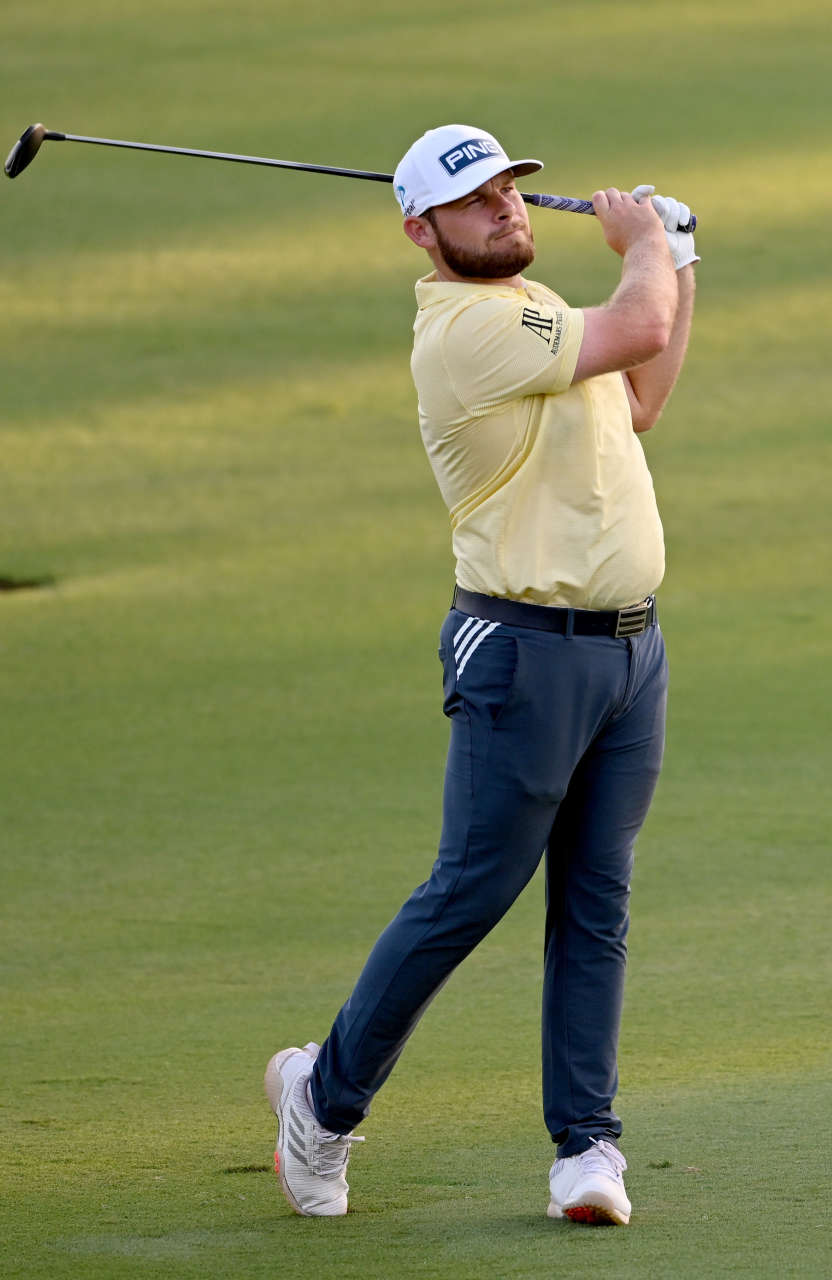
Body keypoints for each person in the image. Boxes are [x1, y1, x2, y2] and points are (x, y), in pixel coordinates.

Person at [265, 123, 697, 1226]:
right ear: (423, 230)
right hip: (523, 652)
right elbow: (635, 318)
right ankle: (323, 1099)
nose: (504, 208)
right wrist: (645, 242)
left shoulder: (542, 318)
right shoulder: (470, 329)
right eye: (475, 201)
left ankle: (586, 1148)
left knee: (596, 902)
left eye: (508, 188)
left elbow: (643, 388)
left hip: (627, 653)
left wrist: (677, 265)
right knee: (470, 893)